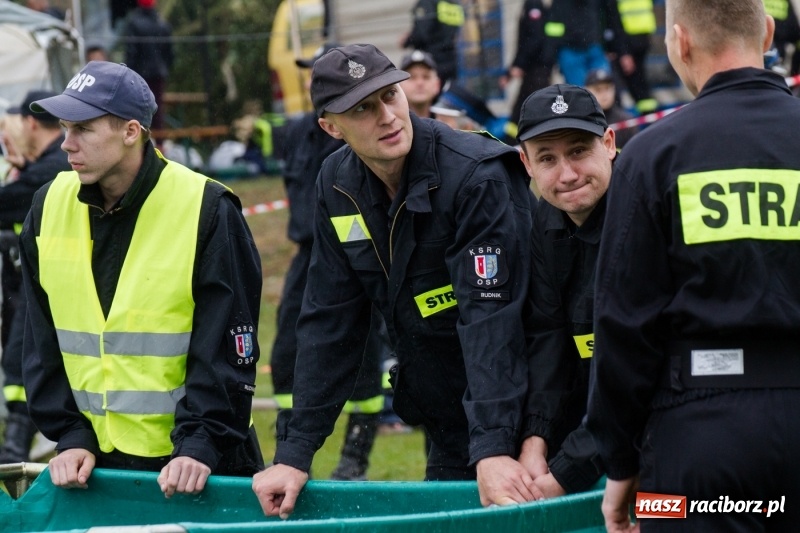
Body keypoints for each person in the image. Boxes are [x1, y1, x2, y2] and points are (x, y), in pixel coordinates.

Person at [252, 43, 537, 518]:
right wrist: (294, 454)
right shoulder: (336, 184)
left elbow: (492, 320)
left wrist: (493, 446)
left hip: (528, 416)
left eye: (390, 95)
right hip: (447, 418)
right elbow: (329, 321)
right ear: (331, 127)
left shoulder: (475, 175)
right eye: (362, 109)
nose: (386, 116)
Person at [585, 1, 800, 531]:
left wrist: (620, 463)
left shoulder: (650, 156)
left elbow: (623, 325)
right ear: (768, 32)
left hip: (696, 443)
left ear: (680, 42)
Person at [20, 61, 264, 496]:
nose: (66, 143)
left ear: (131, 131)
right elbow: (41, 338)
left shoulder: (207, 207)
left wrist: (200, 443)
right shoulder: (47, 204)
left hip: (200, 464)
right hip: (95, 467)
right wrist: (71, 435)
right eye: (64, 128)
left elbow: (227, 346)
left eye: (83, 129)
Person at [271, 42, 386, 481]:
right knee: (286, 350)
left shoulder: (362, 130)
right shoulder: (296, 132)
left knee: (364, 353)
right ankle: (288, 442)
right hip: (307, 253)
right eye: (309, 71)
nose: (310, 80)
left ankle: (356, 455)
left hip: (360, 253)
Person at [514, 84, 613, 500]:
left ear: (609, 144)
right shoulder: (545, 220)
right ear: (526, 163)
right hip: (591, 424)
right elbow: (548, 335)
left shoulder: (644, 212)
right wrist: (535, 439)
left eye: (578, 151)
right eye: (547, 159)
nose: (567, 174)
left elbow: (642, 369)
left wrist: (570, 468)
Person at [0, 90, 69, 464]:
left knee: (21, 359)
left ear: (29, 123)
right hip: (37, 279)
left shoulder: (51, 168)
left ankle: (14, 451)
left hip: (50, 282)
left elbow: (9, 204)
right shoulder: (44, 165)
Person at [544, 0, 631, 87]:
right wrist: (549, 59)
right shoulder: (560, 3)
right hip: (571, 51)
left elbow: (613, 20)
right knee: (581, 91)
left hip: (595, 49)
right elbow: (553, 27)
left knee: (601, 88)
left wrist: (622, 51)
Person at [500, 0, 555, 126]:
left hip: (536, 70)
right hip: (536, 70)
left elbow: (534, 39)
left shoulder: (534, 5)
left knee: (524, 111)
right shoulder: (535, 5)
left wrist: (519, 65)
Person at [122, 0, 173, 131]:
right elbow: (169, 53)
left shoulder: (133, 23)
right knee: (157, 109)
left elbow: (131, 52)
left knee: (138, 109)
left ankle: (141, 139)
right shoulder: (161, 23)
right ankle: (159, 140)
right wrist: (164, 67)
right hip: (158, 74)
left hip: (139, 74)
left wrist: (128, 73)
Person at [401, 0, 465, 87]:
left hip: (430, 61)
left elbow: (421, 34)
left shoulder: (428, 2)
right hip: (450, 59)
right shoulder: (454, 4)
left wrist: (407, 41)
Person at [611, 0, 659, 114]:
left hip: (629, 37)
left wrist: (624, 51)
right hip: (642, 34)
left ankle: (647, 115)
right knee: (640, 79)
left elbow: (614, 18)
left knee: (636, 81)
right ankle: (649, 114)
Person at [583, 68, 638, 149]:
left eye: (607, 88)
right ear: (587, 91)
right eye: (598, 90)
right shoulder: (582, 122)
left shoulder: (626, 121)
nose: (604, 94)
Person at [399, 50, 441, 118]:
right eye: (412, 77)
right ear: (400, 85)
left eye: (426, 77)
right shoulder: (388, 122)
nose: (419, 83)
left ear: (437, 85)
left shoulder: (450, 123)